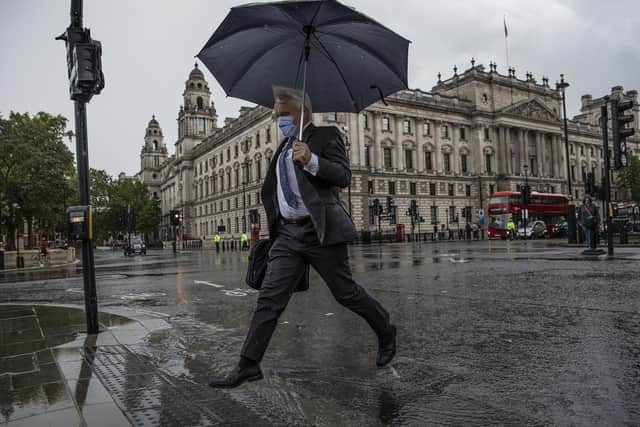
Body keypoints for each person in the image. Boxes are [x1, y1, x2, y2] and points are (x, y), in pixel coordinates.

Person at [209, 87, 396, 388]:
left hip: (319, 230)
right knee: (269, 299)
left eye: (283, 114)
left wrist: (312, 160)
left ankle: (386, 329)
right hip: (288, 235)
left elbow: (343, 176)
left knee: (345, 293)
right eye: (275, 114)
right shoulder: (283, 147)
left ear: (302, 113)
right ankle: (248, 365)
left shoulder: (326, 136)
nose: (277, 119)